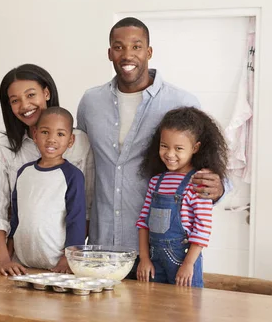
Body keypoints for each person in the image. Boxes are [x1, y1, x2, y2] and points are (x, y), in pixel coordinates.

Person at [76, 17, 230, 278]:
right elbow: (82, 166)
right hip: (103, 250)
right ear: (109, 53)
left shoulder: (181, 101)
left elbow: (211, 165)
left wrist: (219, 188)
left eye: (136, 46)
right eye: (119, 46)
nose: (127, 54)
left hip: (161, 255)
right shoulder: (90, 102)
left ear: (149, 52)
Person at [0, 64, 94, 276]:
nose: (24, 105)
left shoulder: (80, 143)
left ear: (46, 93)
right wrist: (5, 257)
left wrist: (69, 257)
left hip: (61, 264)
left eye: (31, 94)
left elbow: (84, 210)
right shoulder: (5, 147)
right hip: (19, 264)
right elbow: (0, 208)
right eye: (15, 100)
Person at [136, 107, 228, 287]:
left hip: (184, 261)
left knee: (186, 311)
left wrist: (188, 264)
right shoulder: (156, 182)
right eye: (164, 146)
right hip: (154, 261)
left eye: (178, 148)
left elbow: (202, 229)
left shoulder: (198, 182)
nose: (170, 154)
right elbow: (143, 223)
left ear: (195, 148)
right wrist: (144, 259)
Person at [0, 107, 86, 274]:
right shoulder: (23, 173)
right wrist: (7, 253)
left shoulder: (72, 176)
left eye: (60, 134)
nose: (52, 139)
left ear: (70, 140)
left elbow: (76, 219)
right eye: (45, 132)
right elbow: (16, 218)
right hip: (22, 265)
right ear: (35, 134)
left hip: (56, 267)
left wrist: (69, 257)